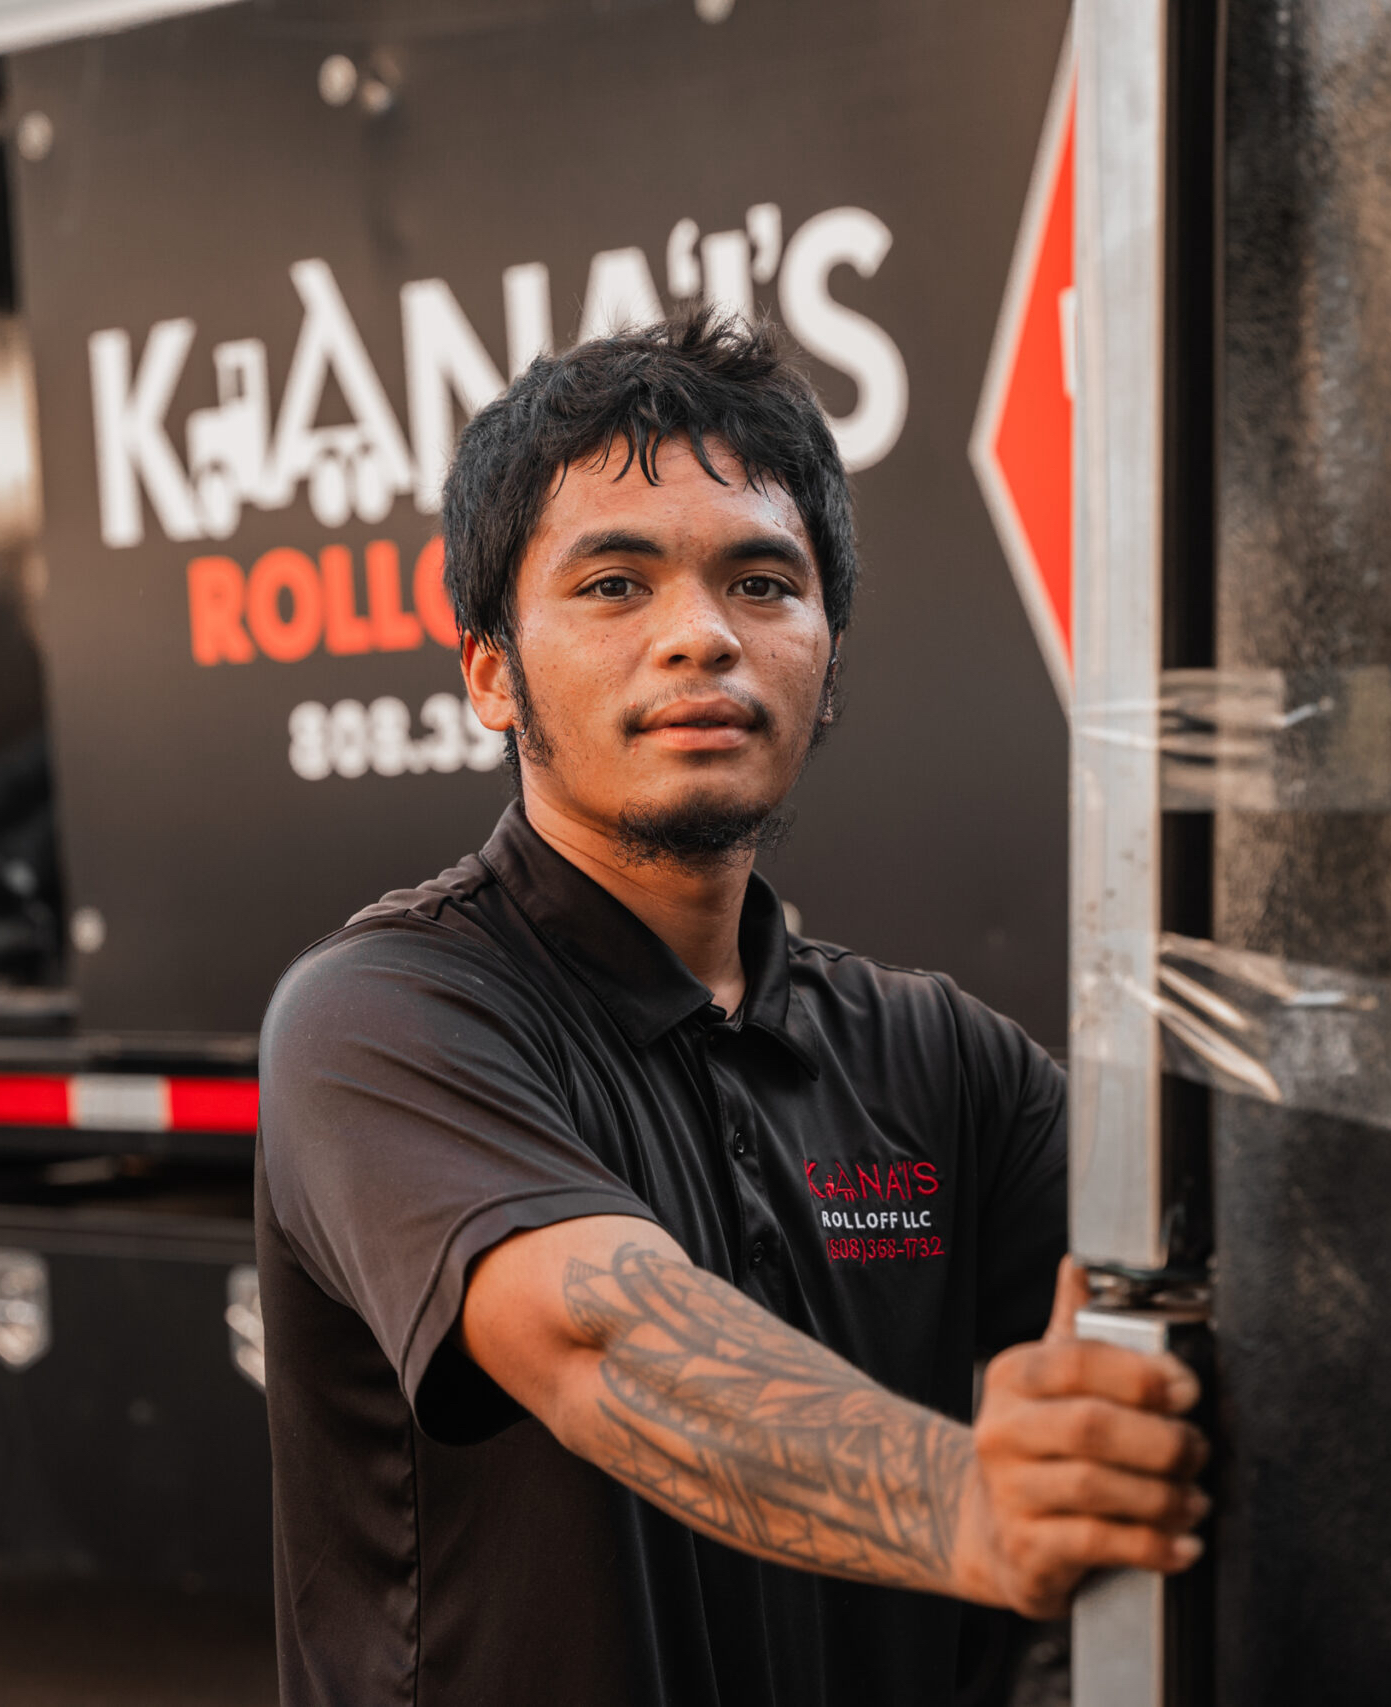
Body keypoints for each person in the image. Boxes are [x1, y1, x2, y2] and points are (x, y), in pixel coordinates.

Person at [254, 313, 1207, 1707]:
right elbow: (605, 1342)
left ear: (829, 659)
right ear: (489, 673)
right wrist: (969, 1507)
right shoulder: (378, 1018)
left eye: (763, 582)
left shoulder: (946, 1065)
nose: (700, 635)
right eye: (615, 586)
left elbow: (1170, 1331)